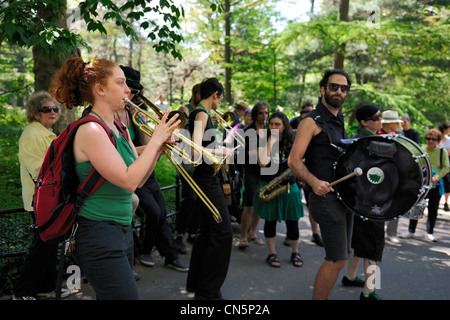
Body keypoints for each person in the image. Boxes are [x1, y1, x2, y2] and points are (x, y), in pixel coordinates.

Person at [49, 57, 179, 300]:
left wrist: (158, 149)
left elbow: (140, 180)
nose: (128, 90)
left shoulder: (117, 127)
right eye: (120, 83)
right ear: (100, 89)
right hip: (98, 232)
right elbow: (129, 180)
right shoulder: (91, 130)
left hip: (121, 228)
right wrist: (156, 140)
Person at [288, 69, 353, 300]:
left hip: (344, 197)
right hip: (325, 198)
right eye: (334, 86)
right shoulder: (310, 121)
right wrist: (314, 182)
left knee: (343, 255)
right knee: (337, 259)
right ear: (322, 89)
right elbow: (293, 160)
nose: (338, 91)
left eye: (343, 88)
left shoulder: (339, 119)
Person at [117, 65, 188, 272]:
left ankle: (168, 255)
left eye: (136, 91)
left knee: (162, 212)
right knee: (154, 212)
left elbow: (147, 144)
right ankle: (144, 251)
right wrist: (155, 145)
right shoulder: (111, 116)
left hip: (148, 169)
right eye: (128, 88)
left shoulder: (137, 112)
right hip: (130, 171)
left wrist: (158, 139)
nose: (131, 94)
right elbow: (128, 151)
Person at [14, 91, 69, 300]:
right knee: (41, 248)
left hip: (51, 198)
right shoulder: (32, 135)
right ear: (36, 114)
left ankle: (46, 286)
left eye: (55, 108)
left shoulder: (47, 133)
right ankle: (22, 292)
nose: (52, 112)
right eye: (47, 109)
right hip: (41, 201)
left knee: (49, 246)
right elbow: (39, 170)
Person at [186, 77, 233, 300]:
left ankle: (198, 285)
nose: (220, 102)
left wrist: (219, 148)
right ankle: (209, 291)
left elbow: (202, 146)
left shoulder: (201, 114)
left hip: (207, 178)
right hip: (206, 179)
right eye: (220, 97)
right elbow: (195, 151)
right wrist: (222, 152)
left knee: (207, 233)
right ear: (215, 94)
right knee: (223, 233)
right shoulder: (202, 113)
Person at [341, 104, 384, 300]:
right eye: (376, 117)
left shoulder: (361, 140)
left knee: (360, 241)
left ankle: (350, 276)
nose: (380, 119)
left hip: (360, 200)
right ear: (364, 122)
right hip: (370, 201)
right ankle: (369, 291)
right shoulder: (366, 143)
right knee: (373, 245)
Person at [253, 112, 304, 267]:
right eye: (271, 124)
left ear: (284, 126)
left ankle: (295, 252)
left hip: (289, 186)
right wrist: (270, 140)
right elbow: (262, 162)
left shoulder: (293, 141)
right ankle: (272, 253)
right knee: (270, 221)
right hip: (269, 185)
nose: (274, 127)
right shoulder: (264, 139)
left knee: (293, 222)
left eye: (277, 124)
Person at [400, 128, 449, 242]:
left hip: (436, 184)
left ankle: (430, 232)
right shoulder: (421, 150)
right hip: (422, 183)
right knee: (416, 206)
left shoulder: (442, 151)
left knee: (433, 208)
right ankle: (411, 230)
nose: (431, 141)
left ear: (438, 140)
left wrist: (436, 177)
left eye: (434, 139)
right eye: (428, 138)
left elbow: (447, 167)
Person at [288, 101, 322, 247]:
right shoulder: (293, 124)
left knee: (311, 204)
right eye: (305, 113)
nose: (308, 115)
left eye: (310, 112)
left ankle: (315, 234)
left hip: (310, 171)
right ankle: (290, 233)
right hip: (296, 169)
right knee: (294, 204)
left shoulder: (317, 125)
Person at [174, 83, 202, 254]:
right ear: (194, 93)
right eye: (201, 94)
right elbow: (180, 131)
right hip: (184, 156)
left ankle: (192, 232)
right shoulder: (185, 109)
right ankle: (179, 234)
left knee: (198, 196)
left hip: (199, 157)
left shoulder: (204, 111)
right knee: (189, 197)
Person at [238, 101, 270, 249]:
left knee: (260, 204)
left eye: (266, 113)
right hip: (251, 172)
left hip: (266, 172)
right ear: (256, 114)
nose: (264, 116)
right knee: (249, 205)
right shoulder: (247, 131)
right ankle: (243, 236)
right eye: (261, 113)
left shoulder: (270, 131)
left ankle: (253, 233)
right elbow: (244, 156)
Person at [378, 110, 403, 244]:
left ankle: (391, 233)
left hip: (395, 175)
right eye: (396, 122)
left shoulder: (397, 136)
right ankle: (378, 232)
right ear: (389, 123)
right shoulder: (378, 136)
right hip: (380, 176)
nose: (399, 125)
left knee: (396, 204)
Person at [437, 122, 450, 211]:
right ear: (444, 129)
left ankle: (446, 202)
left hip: (447, 163)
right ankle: (436, 201)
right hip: (437, 163)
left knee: (448, 183)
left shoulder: (449, 140)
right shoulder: (436, 139)